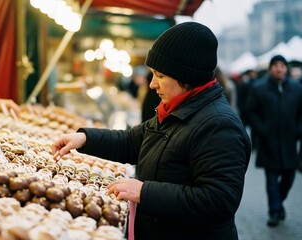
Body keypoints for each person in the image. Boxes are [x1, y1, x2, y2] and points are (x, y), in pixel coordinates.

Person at [52, 22, 251, 240]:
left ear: (186, 76)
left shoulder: (219, 125)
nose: (152, 84)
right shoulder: (176, 109)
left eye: (160, 75)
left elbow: (218, 201)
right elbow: (132, 141)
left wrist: (144, 192)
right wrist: (84, 138)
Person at [245, 55, 302, 227]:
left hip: (289, 142)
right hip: (268, 142)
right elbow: (250, 111)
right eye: (276, 65)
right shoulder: (259, 89)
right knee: (271, 180)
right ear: (270, 69)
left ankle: (278, 204)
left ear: (286, 69)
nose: (279, 68)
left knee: (289, 177)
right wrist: (261, 128)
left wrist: (298, 129)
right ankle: (275, 212)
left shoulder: (296, 88)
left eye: (282, 65)